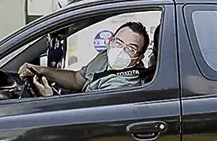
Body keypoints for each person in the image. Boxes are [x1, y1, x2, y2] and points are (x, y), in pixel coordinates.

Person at [19, 21, 150, 96]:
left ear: (139, 58)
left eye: (130, 48)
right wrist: (42, 70)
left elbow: (87, 118)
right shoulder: (105, 57)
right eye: (118, 42)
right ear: (110, 42)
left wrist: (49, 99)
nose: (121, 50)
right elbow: (77, 79)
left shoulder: (124, 86)